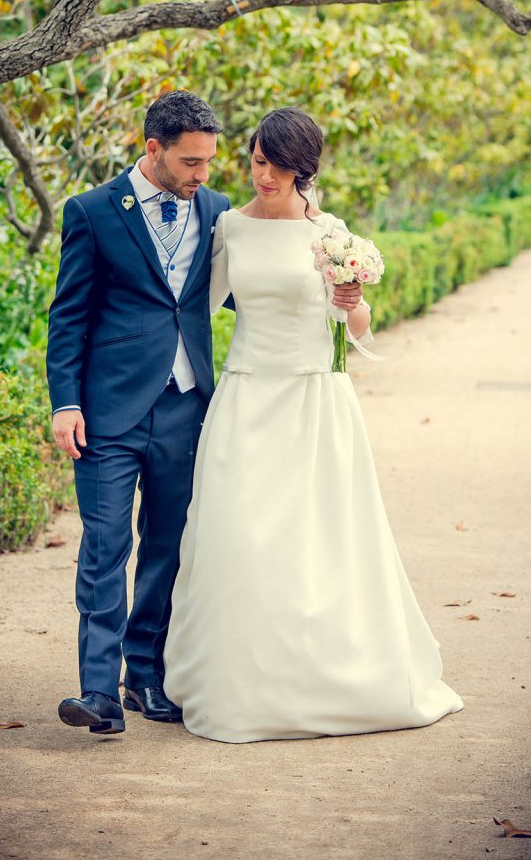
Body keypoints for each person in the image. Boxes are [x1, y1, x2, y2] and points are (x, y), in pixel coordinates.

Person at [163, 107, 463, 743]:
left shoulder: (330, 235)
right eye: (257, 161)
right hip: (246, 400)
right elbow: (192, 309)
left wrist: (353, 303)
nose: (264, 176)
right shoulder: (228, 227)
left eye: (279, 167)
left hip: (315, 401)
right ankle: (238, 682)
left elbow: (354, 325)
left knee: (318, 541)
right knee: (237, 537)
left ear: (303, 170)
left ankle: (324, 675)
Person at [46, 90, 230, 734]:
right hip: (108, 411)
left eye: (208, 161)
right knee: (105, 545)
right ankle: (96, 689)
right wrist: (66, 402)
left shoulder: (218, 210)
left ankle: (144, 676)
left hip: (186, 405)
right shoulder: (93, 211)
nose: (201, 174)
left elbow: (245, 290)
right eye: (189, 162)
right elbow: (68, 315)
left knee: (166, 544)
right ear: (153, 148)